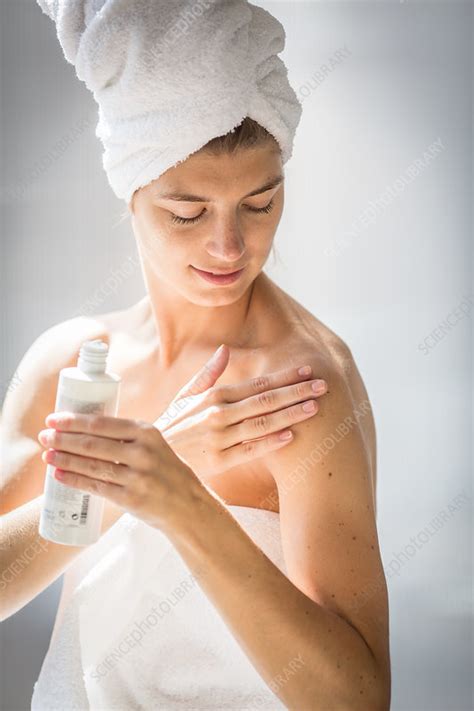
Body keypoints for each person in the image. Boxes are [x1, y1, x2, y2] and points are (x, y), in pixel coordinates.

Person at [1, 1, 391, 709]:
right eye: (187, 213)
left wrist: (183, 503)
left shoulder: (303, 387)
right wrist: (131, 477)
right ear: (131, 194)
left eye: (261, 202)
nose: (229, 247)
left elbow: (355, 698)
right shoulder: (71, 366)